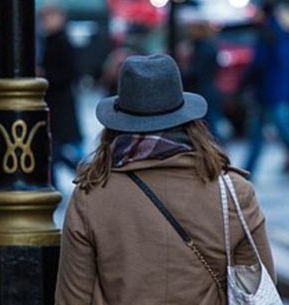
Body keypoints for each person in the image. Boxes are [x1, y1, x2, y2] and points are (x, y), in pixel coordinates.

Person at [56, 54, 275, 304]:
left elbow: (72, 299)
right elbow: (259, 287)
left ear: (118, 121)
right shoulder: (234, 193)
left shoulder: (91, 197)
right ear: (187, 118)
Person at [243, 2, 289, 180]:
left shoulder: (268, 33)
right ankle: (248, 169)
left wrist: (245, 82)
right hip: (280, 89)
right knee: (272, 131)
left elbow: (259, 63)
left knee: (281, 130)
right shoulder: (284, 30)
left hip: (270, 91)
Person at [40, 5, 83, 186]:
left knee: (55, 151)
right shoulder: (50, 40)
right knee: (54, 152)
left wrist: (45, 74)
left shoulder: (61, 41)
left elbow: (70, 73)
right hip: (55, 105)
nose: (46, 22)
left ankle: (79, 176)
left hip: (60, 106)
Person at [184, 19, 224, 141]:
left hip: (202, 91)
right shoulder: (210, 46)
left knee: (209, 128)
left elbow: (197, 72)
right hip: (209, 90)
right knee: (212, 126)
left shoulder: (202, 47)